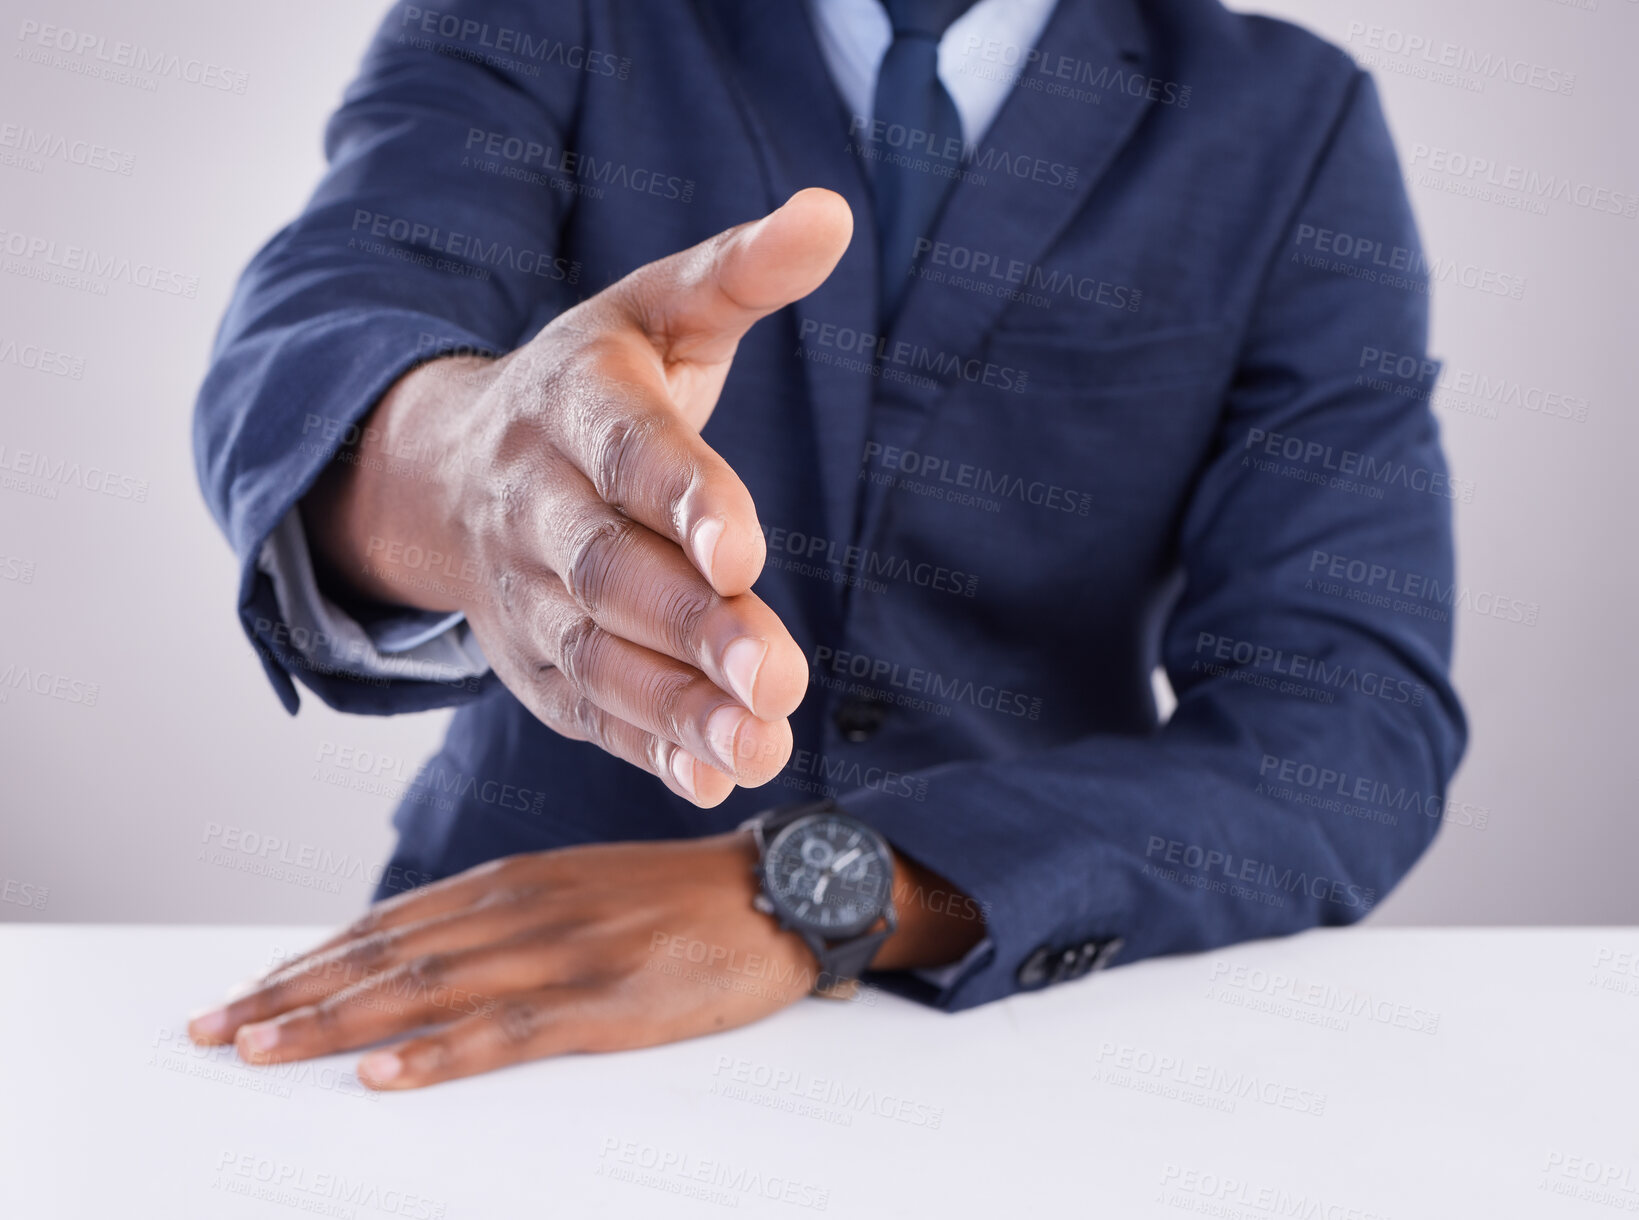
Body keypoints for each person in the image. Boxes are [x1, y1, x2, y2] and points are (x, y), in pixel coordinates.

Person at [188, 0, 1466, 1090]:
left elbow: (1347, 726)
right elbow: (326, 320)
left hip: (1031, 1020)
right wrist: (469, 475)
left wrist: (821, 889)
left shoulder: (1288, 121)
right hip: (509, 1003)